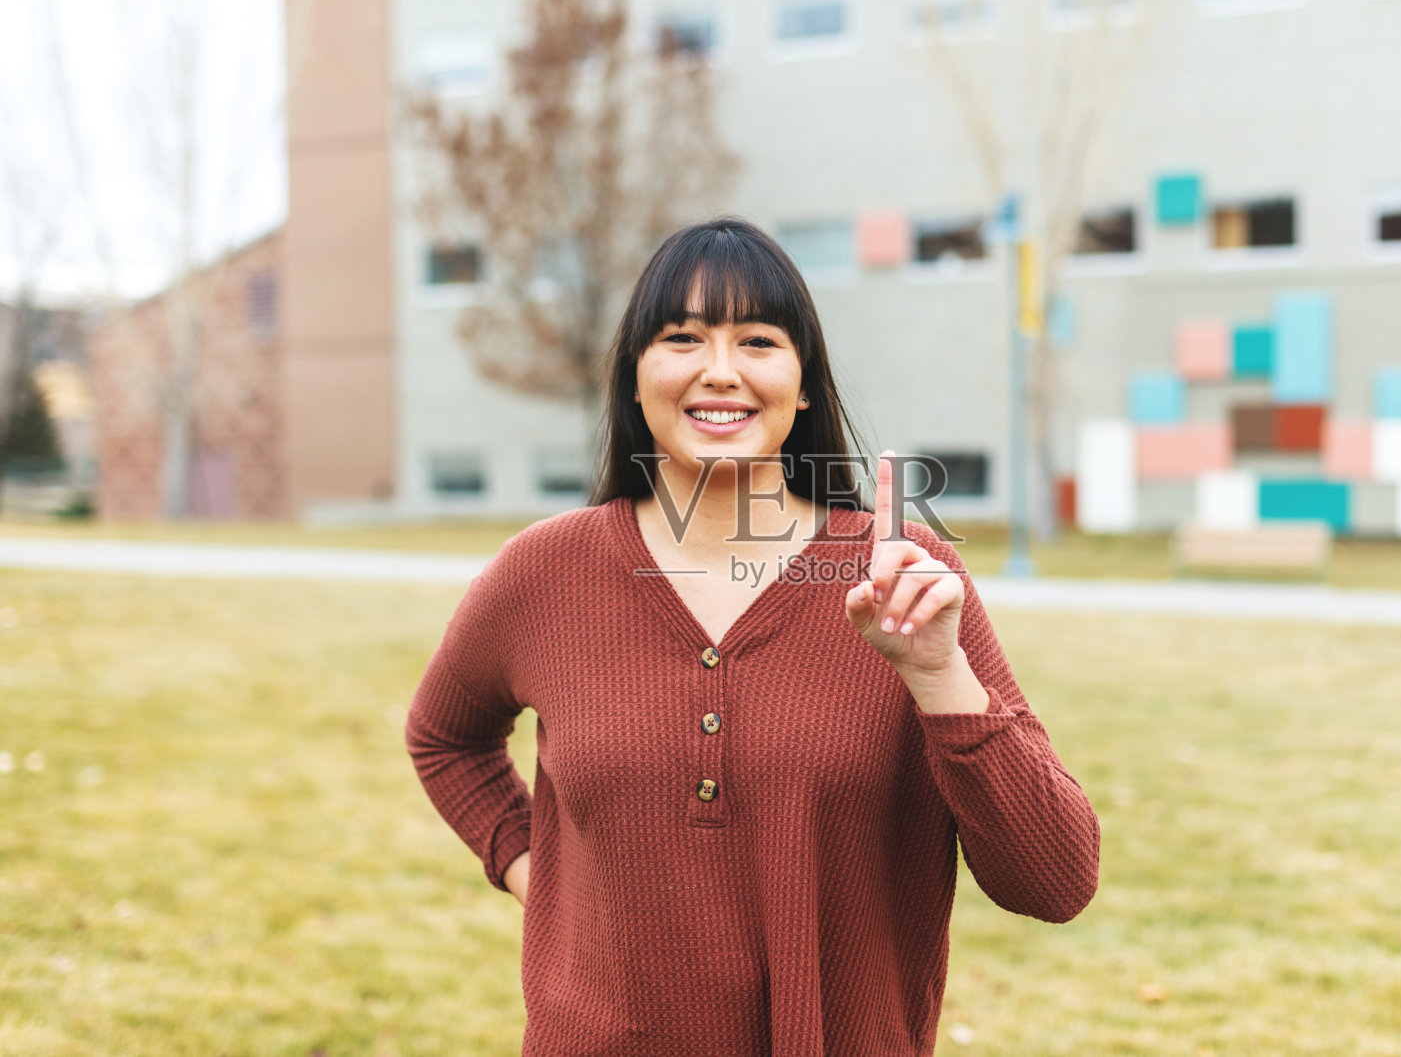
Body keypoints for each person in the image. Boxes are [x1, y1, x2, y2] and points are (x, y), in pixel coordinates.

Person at [405, 216, 1099, 1056]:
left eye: (759, 340)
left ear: (804, 384)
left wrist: (938, 673)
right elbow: (445, 736)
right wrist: (535, 873)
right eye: (682, 338)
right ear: (634, 375)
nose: (720, 371)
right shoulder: (544, 572)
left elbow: (1056, 880)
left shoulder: (907, 577)